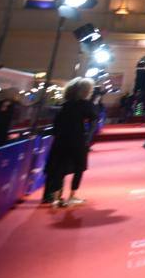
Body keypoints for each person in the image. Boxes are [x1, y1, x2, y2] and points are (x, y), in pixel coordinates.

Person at [43, 77, 98, 207]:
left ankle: (55, 198)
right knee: (79, 167)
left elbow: (56, 125)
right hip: (77, 139)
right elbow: (94, 119)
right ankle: (72, 196)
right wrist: (87, 137)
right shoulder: (86, 105)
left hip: (61, 140)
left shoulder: (64, 105)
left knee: (59, 167)